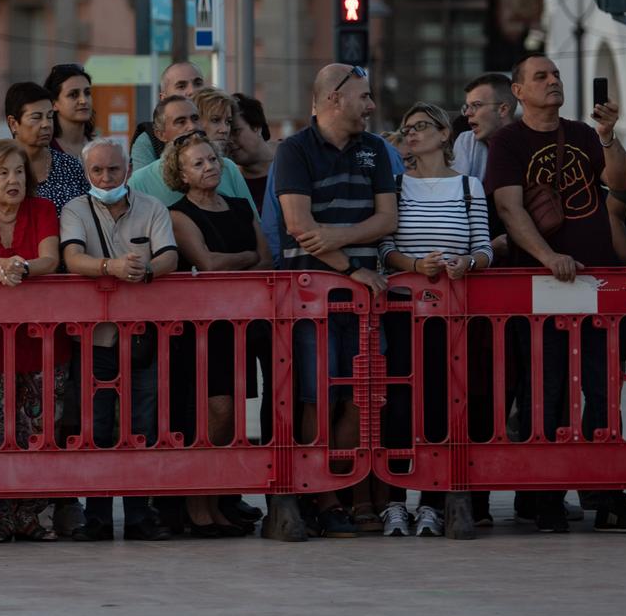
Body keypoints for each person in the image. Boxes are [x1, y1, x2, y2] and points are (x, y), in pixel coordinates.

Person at [483, 54, 626, 536]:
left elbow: (620, 183)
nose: (553, 82)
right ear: (517, 91)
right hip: (538, 290)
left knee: (602, 391)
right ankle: (545, 496)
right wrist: (546, 257)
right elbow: (510, 210)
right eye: (541, 77)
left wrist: (608, 136)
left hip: (596, 285)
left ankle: (606, 496)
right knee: (545, 394)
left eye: (555, 75)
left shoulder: (580, 133)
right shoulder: (507, 142)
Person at [263, 64, 398, 541]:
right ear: (334, 98)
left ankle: (342, 492)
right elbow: (298, 226)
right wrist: (351, 268)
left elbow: (387, 219)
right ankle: (318, 494)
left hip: (365, 301)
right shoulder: (294, 151)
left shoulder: (376, 149)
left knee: (361, 398)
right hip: (310, 300)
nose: (371, 105)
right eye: (364, 96)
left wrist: (336, 237)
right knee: (317, 396)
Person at [380, 101, 492, 539]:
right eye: (406, 128)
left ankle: (431, 501)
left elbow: (485, 247)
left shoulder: (469, 186)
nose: (412, 134)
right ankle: (394, 500)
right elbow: (384, 249)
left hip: (451, 315)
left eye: (422, 126)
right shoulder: (395, 185)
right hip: (402, 311)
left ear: (445, 135)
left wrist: (469, 261)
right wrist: (412, 263)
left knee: (439, 402)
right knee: (399, 403)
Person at [61, 137, 176, 542]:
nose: (106, 177)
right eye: (98, 170)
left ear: (128, 170)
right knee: (97, 428)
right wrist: (112, 267)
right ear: (86, 173)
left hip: (144, 339)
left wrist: (146, 272)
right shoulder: (75, 209)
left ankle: (139, 515)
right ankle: (96, 519)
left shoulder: (152, 207)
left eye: (114, 169)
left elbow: (170, 256)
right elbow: (72, 258)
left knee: (142, 426)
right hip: (94, 339)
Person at [0, 139, 66, 542]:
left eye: (19, 171)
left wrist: (18, 266)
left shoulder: (43, 210)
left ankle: (35, 516)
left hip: (42, 341)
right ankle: (1, 516)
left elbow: (50, 258)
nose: (13, 180)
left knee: (42, 428)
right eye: (3, 172)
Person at [163, 132, 268, 535]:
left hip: (244, 321)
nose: (209, 167)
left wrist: (241, 264)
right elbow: (207, 263)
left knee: (233, 418)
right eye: (199, 163)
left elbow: (268, 261)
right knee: (213, 413)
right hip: (204, 329)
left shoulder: (241, 206)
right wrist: (246, 258)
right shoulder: (178, 212)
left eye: (212, 159)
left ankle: (219, 502)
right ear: (182, 173)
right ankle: (197, 506)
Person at [134, 93, 255, 208]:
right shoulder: (140, 181)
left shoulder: (228, 168)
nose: (192, 126)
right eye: (181, 122)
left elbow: (253, 221)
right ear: (160, 134)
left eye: (195, 119)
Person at [4, 81, 89, 210]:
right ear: (13, 123)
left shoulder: (70, 167)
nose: (46, 124)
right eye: (36, 117)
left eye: (49, 116)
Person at [130, 61, 205, 168]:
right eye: (181, 86)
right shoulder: (149, 139)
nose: (192, 91)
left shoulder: (225, 124)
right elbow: (141, 183)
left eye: (198, 84)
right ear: (163, 98)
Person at [452, 71, 516, 183]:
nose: (467, 113)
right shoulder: (466, 141)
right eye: (467, 106)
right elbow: (456, 191)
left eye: (476, 105)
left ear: (503, 110)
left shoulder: (528, 142)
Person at [230, 93, 277, 210]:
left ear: (256, 126)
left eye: (235, 131)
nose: (229, 140)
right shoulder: (230, 181)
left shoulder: (295, 157)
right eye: (225, 133)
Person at [45, 63, 95, 154]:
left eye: (87, 93)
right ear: (54, 104)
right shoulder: (44, 151)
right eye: (73, 94)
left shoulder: (99, 148)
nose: (83, 100)